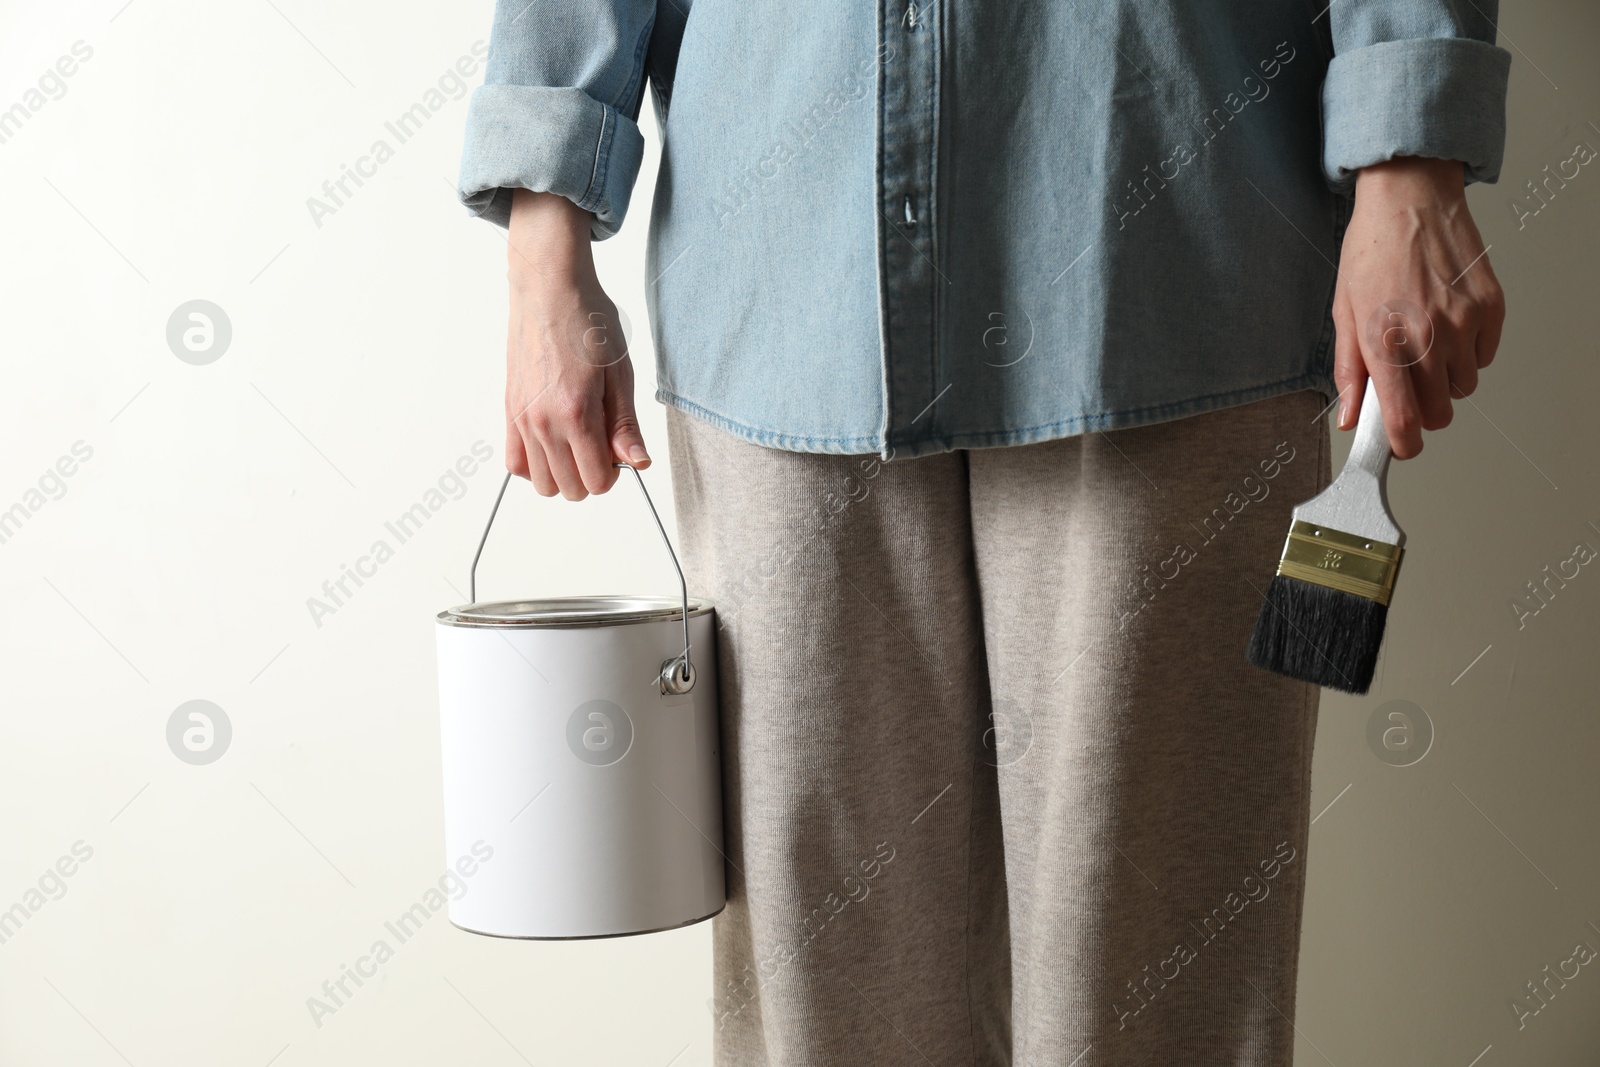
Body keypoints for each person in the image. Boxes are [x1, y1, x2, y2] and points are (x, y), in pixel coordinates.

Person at [456, 1, 1509, 1062]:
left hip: (1169, 261)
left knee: (1154, 990)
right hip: (782, 281)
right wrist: (542, 247)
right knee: (825, 996)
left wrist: (1410, 155)